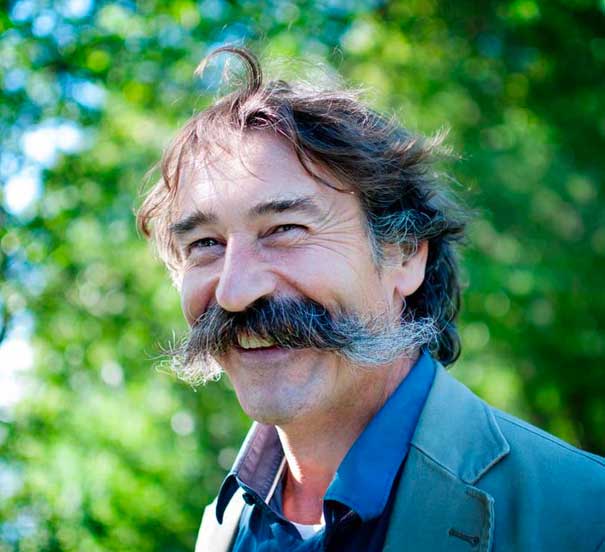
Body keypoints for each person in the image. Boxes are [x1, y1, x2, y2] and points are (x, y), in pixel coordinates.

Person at [137, 46, 605, 552]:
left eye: (285, 229)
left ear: (404, 254)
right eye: (205, 244)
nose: (234, 292)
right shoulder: (223, 527)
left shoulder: (584, 515)